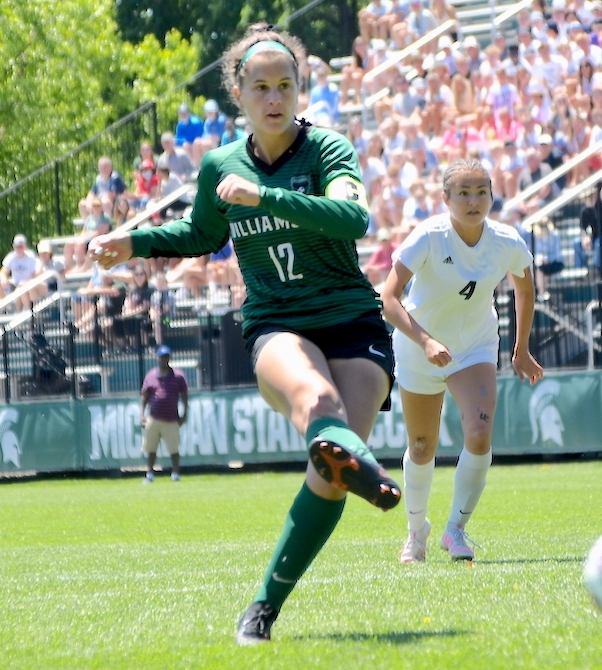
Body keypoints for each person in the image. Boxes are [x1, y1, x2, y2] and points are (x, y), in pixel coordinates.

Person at [88, 24, 402, 645]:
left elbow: (353, 217)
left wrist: (265, 197)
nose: (274, 97)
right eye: (260, 87)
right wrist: (135, 241)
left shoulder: (328, 149)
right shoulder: (220, 164)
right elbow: (202, 233)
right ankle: (357, 466)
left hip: (352, 319)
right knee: (319, 404)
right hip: (278, 321)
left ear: (300, 89)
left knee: (329, 473)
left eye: (285, 84)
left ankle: (262, 606)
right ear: (238, 94)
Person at [380, 158, 544, 564]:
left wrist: (521, 348)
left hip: (474, 346)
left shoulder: (507, 241)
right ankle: (416, 533)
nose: (474, 201)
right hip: (418, 346)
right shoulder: (429, 236)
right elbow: (387, 299)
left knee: (479, 433)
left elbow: (525, 289)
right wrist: (425, 341)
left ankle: (455, 529)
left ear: (492, 195)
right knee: (422, 446)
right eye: (464, 193)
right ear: (445, 198)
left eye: (481, 192)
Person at [140, 345, 189, 483]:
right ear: (157, 358)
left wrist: (184, 414)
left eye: (166, 357)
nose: (164, 360)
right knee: (151, 448)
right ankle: (150, 474)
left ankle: (175, 474)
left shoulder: (178, 376)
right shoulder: (151, 376)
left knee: (173, 449)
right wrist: (141, 414)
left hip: (171, 419)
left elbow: (184, 395)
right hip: (154, 418)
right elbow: (144, 397)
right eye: (162, 357)